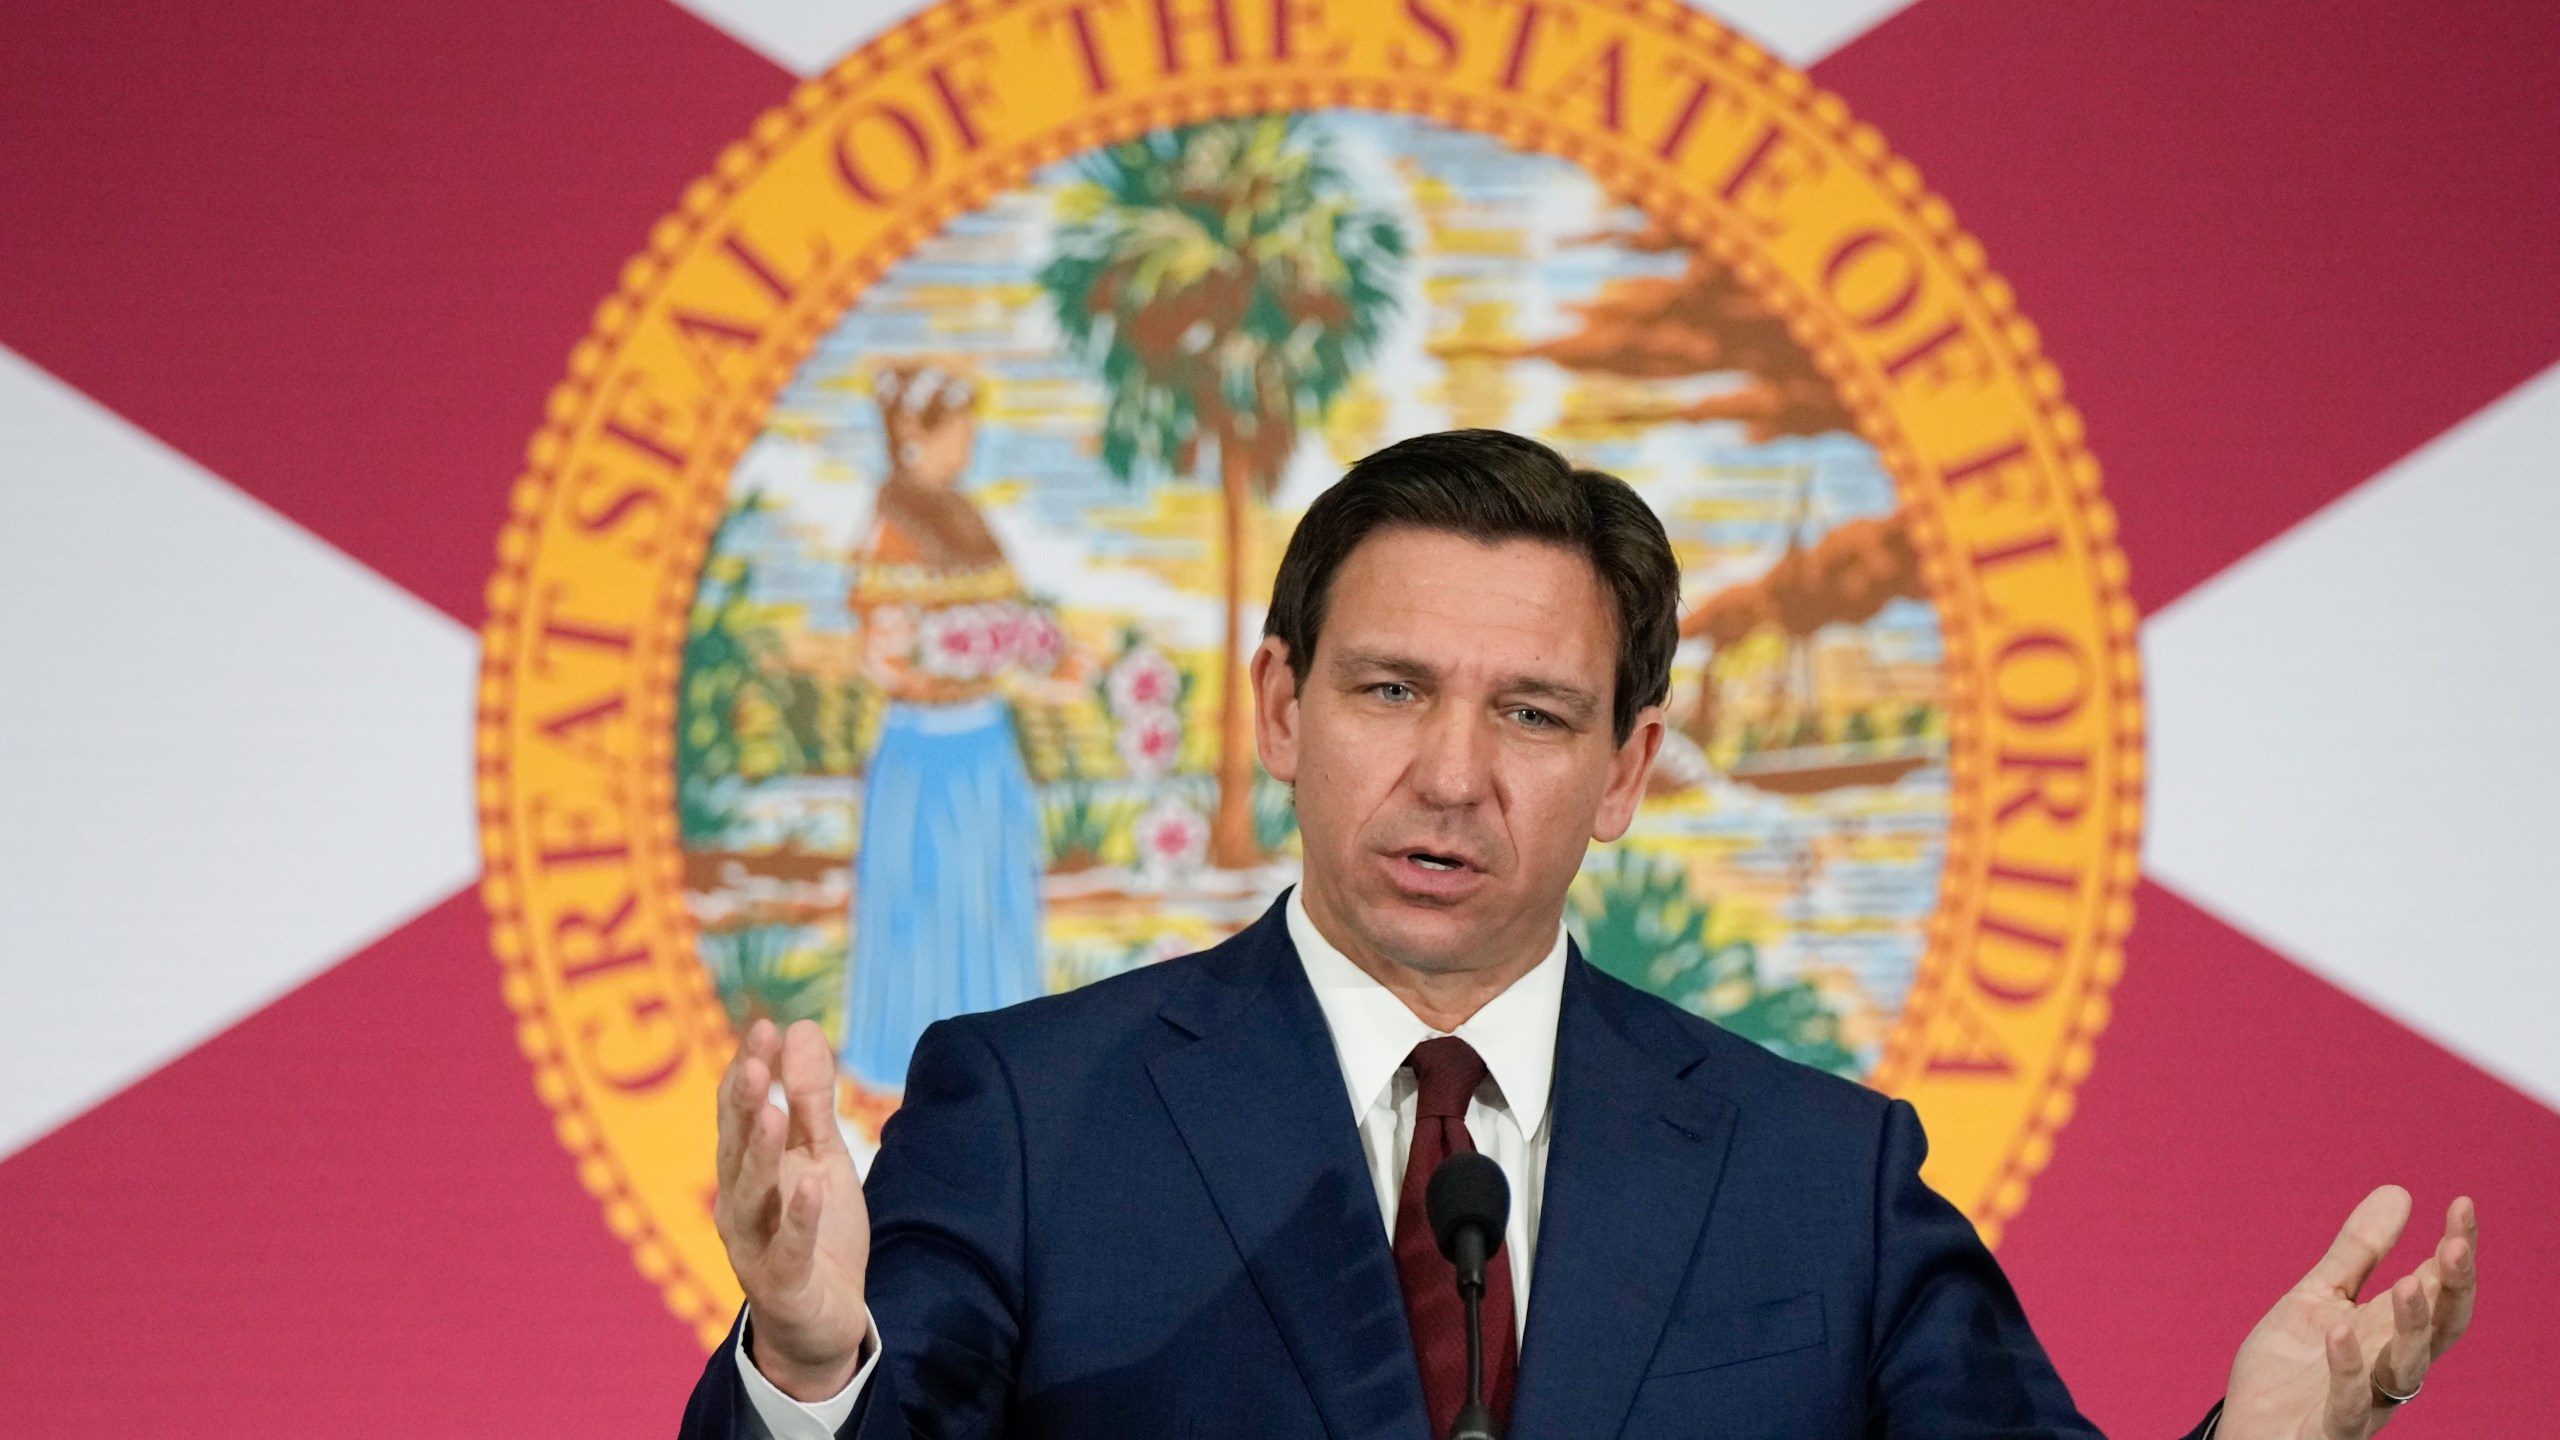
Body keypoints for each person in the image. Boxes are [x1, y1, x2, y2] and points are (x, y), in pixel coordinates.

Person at [688, 430, 2480, 1440]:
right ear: (1278, 710)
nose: (1452, 776)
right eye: (1391, 689)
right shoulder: (1031, 1111)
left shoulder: (1819, 1177)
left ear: (1625, 771)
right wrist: (805, 1360)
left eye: (1535, 718)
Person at [836, 360, 1062, 1126]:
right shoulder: (890, 524)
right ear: (913, 436)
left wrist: (1038, 654)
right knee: (923, 913)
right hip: (925, 753)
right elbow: (886, 649)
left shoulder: (967, 517)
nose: (968, 440)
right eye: (955, 426)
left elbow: (1012, 616)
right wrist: (951, 657)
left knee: (987, 906)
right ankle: (896, 1090)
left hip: (984, 749)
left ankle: (1001, 1084)